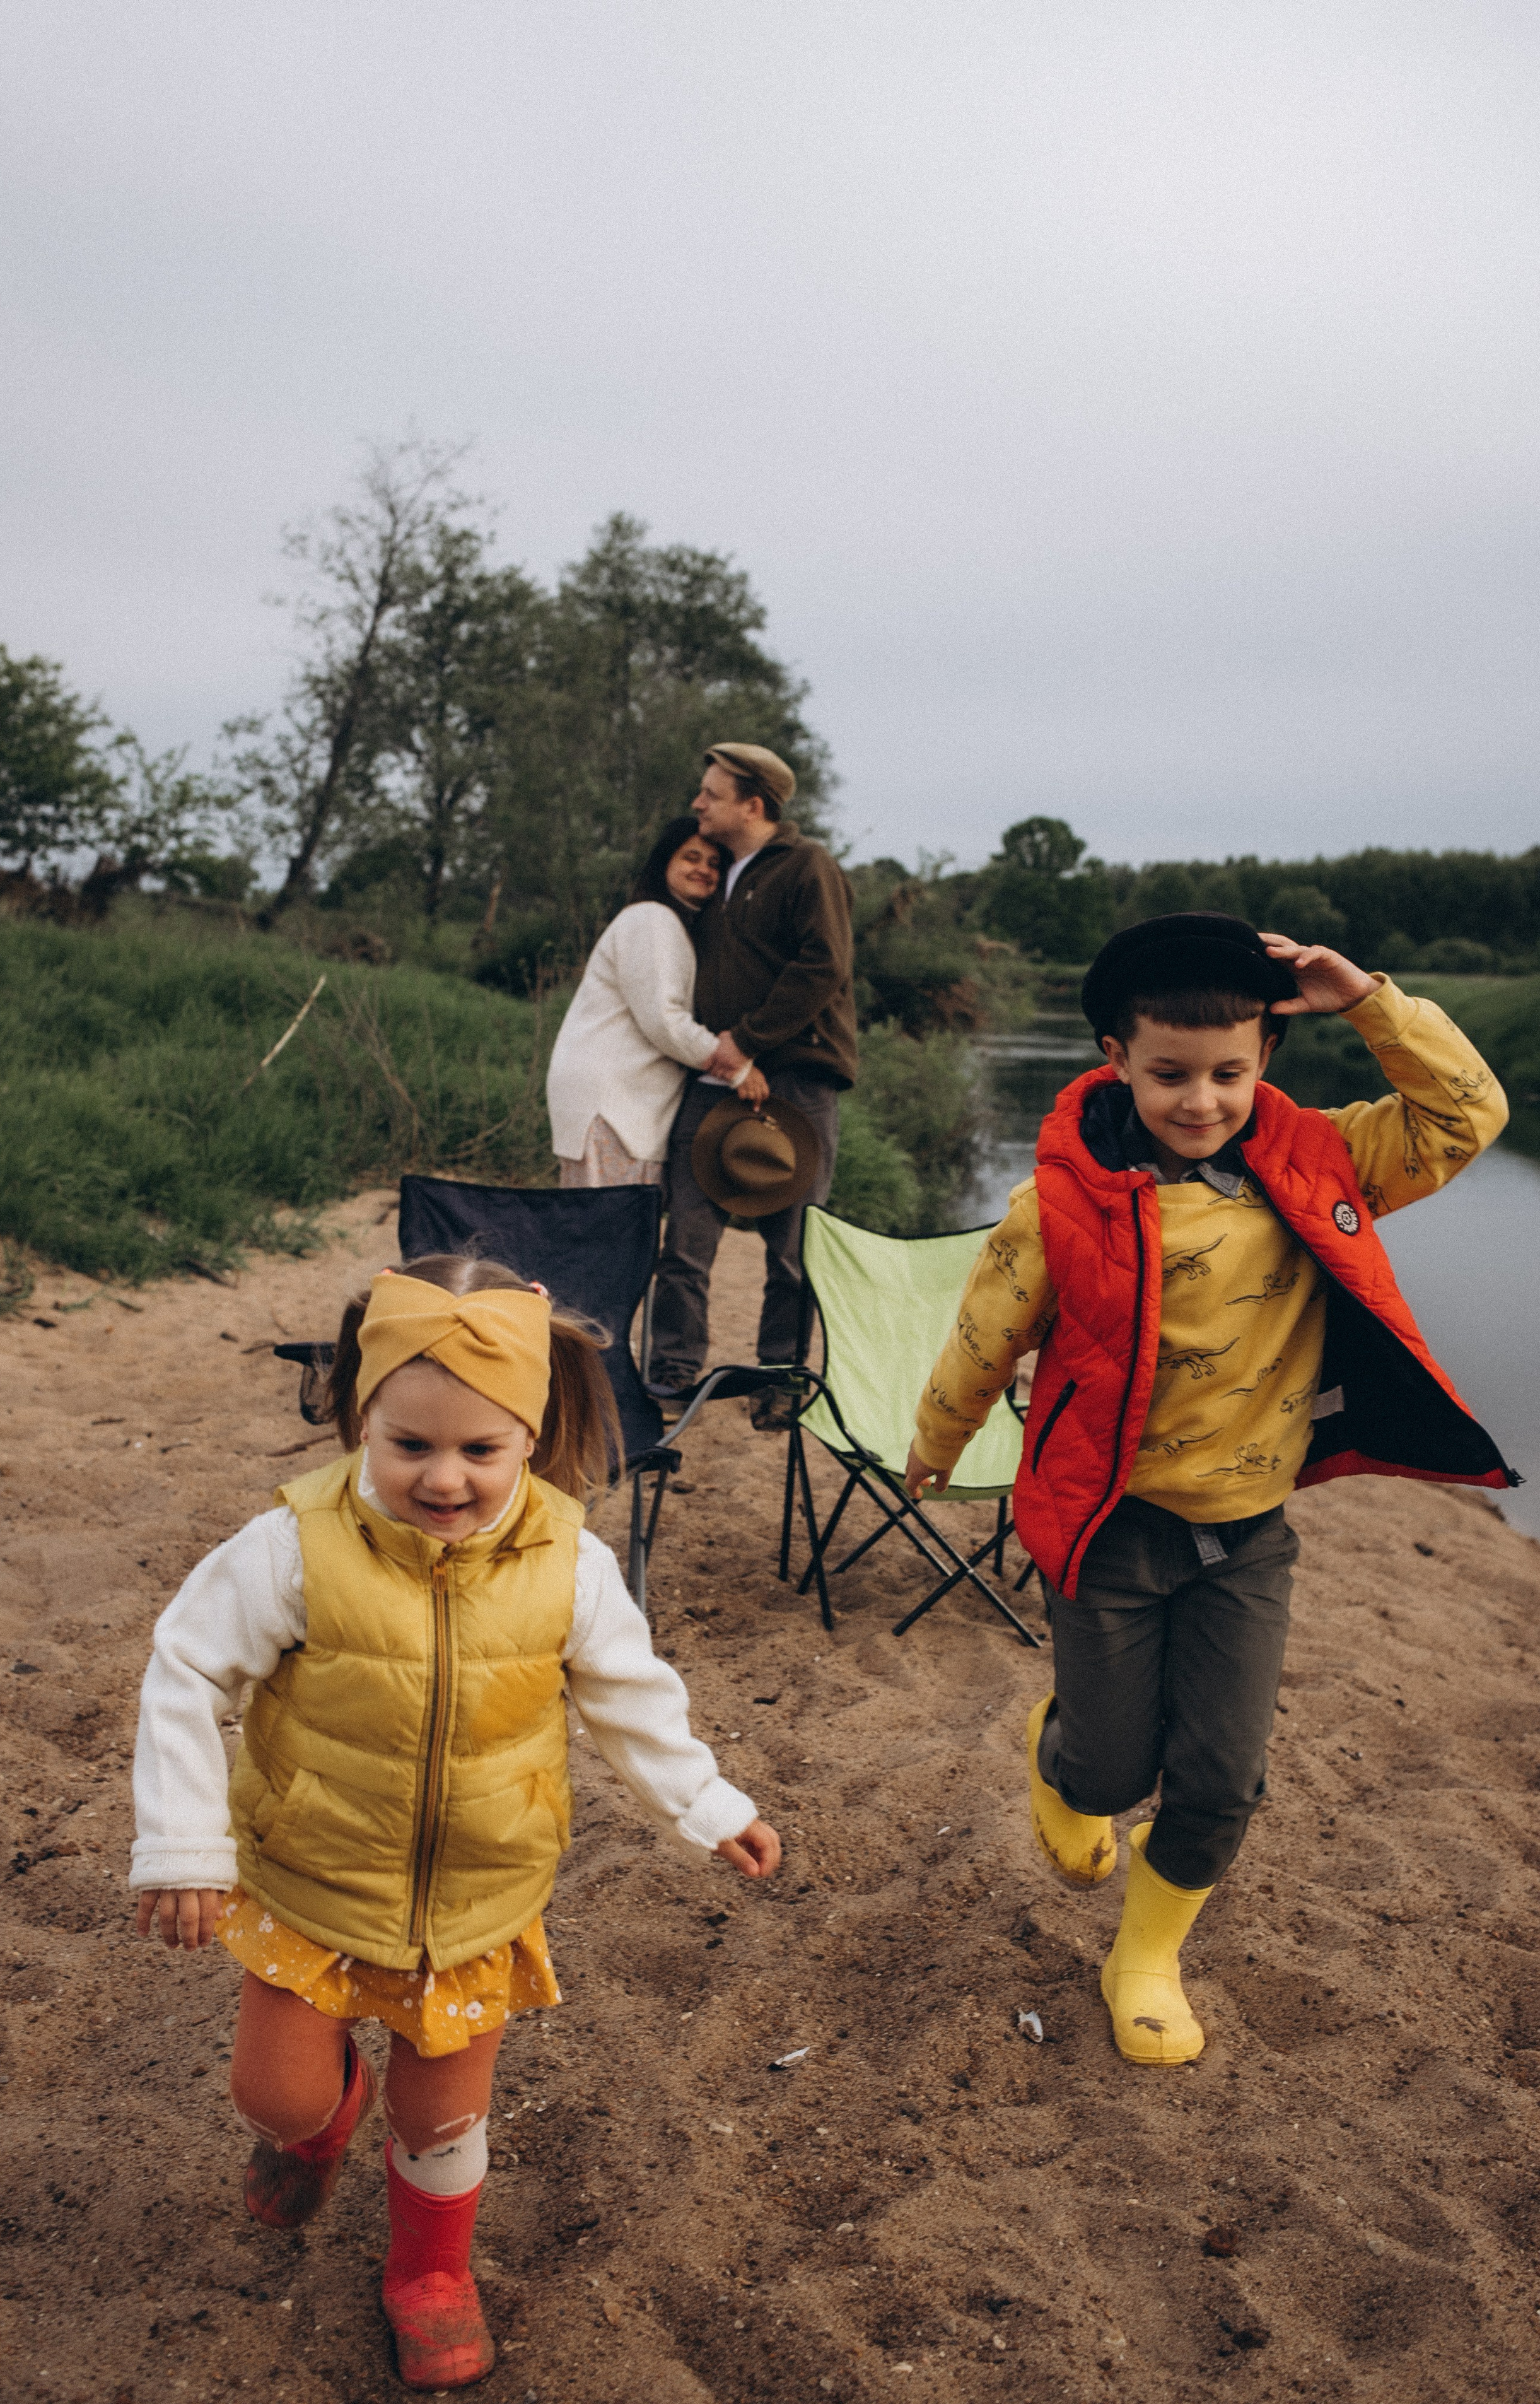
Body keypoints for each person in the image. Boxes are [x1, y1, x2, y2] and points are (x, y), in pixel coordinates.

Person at [131, 1258, 780, 2392]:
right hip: (313, 1883)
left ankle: (431, 2274)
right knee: (274, 2098)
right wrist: (185, 1847)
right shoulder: (292, 1549)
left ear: (531, 1436)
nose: (443, 1477)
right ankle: (326, 2123)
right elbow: (186, 1672)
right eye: (409, 1444)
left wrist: (707, 1803)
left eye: (481, 1449)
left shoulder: (571, 1566)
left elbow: (632, 1700)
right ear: (360, 1422)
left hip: (479, 1900)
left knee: (441, 2119)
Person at [906, 913, 1515, 2068]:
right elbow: (988, 1331)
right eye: (1170, 1074)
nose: (1201, 1100)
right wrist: (938, 1439)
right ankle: (1063, 1752)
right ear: (1116, 1059)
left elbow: (1466, 1113)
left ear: (1265, 1059)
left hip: (1247, 1537)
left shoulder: (1324, 1161)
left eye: (1229, 1073)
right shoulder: (1061, 1204)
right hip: (1112, 1531)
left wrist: (1370, 1000)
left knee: (1224, 1781)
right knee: (1107, 1770)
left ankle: (1143, 1958)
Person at [648, 742, 857, 1428]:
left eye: (710, 794)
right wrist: (728, 1054)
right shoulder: (713, 876)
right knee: (685, 1238)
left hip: (797, 1078)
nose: (697, 804)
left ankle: (780, 1382)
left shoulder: (807, 866)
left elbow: (823, 964)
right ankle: (670, 1374)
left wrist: (749, 1041)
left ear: (753, 805)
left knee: (793, 1250)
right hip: (717, 1073)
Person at [544, 816, 767, 1189]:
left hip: (624, 1102)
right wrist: (736, 1068)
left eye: (715, 864)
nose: (703, 870)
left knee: (609, 1220)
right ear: (664, 862)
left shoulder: (672, 925)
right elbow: (665, 1021)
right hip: (612, 1103)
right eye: (690, 858)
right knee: (606, 1220)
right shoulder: (652, 920)